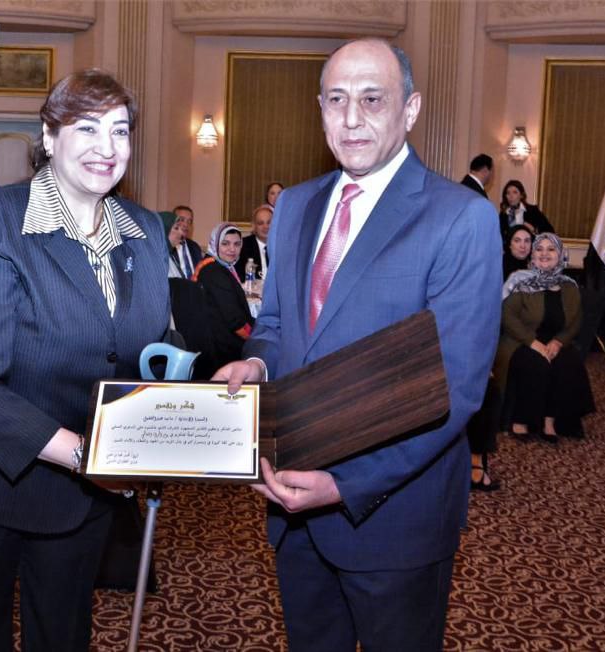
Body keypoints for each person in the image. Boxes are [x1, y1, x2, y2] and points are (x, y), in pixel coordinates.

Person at [213, 38, 501, 650]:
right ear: (319, 108)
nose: (351, 119)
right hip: (291, 503)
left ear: (410, 109)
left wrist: (345, 484)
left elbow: (456, 388)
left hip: (395, 516)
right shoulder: (295, 205)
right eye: (337, 100)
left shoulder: (459, 217)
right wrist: (256, 361)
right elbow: (279, 324)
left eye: (372, 100)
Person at [0, 69, 170, 650]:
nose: (107, 147)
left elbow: (145, 348)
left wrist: (198, 393)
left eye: (120, 130)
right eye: (87, 128)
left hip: (84, 495)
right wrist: (87, 456)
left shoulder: (144, 231)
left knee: (62, 634)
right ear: (49, 137)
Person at [495, 233, 594, 442]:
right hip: (520, 340)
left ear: (560, 255)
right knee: (535, 364)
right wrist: (533, 342)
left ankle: (551, 421)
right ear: (532, 255)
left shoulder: (569, 286)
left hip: (555, 340)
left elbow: (576, 320)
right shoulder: (520, 281)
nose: (544, 254)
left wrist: (559, 342)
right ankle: (520, 421)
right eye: (539, 249)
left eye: (551, 249)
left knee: (569, 363)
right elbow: (507, 315)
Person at [194, 222, 254, 370]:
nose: (232, 249)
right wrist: (257, 336)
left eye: (237, 244)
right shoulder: (215, 273)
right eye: (225, 244)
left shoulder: (214, 265)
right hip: (224, 349)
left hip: (218, 340)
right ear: (215, 243)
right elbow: (235, 321)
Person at [235, 204, 273, 281]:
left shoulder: (283, 247)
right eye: (260, 223)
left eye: (269, 222)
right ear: (254, 226)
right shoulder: (242, 246)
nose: (265, 227)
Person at [172, 205, 202, 277]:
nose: (186, 224)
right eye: (181, 220)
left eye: (189, 221)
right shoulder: (166, 246)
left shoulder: (195, 247)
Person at [159, 210, 188, 278]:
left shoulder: (170, 256)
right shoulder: (157, 258)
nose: (181, 233)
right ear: (164, 230)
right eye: (176, 228)